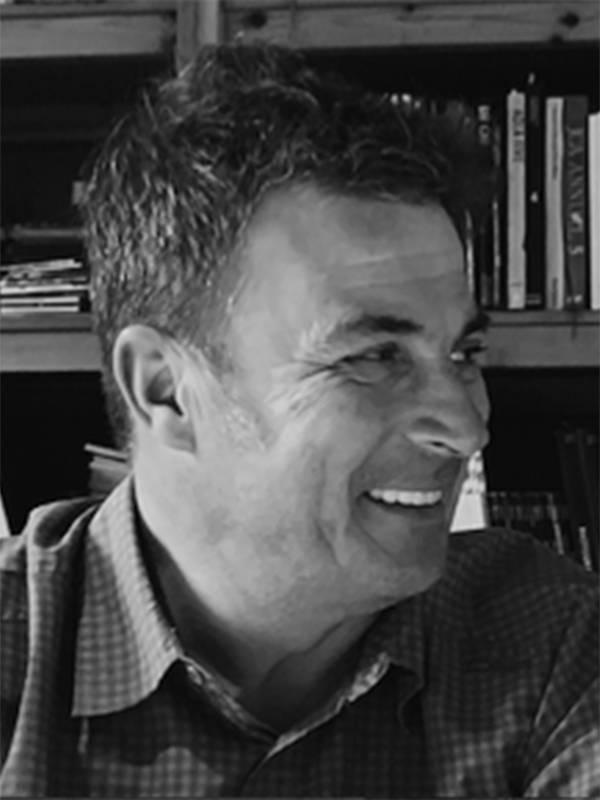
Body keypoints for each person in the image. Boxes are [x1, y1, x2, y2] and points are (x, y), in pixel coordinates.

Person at [1, 43, 600, 798]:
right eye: (374, 356)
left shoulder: (546, 640)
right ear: (166, 391)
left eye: (464, 352)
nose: (466, 428)